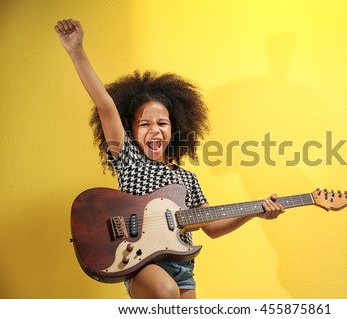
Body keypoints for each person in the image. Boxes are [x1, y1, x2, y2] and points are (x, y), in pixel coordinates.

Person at [54, 18, 285, 299]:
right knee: (165, 292)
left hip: (183, 268)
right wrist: (76, 50)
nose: (154, 130)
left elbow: (210, 227)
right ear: (131, 131)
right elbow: (105, 106)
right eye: (144, 124)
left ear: (175, 129)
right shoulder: (129, 159)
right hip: (142, 262)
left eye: (162, 123)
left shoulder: (187, 179)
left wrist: (256, 210)